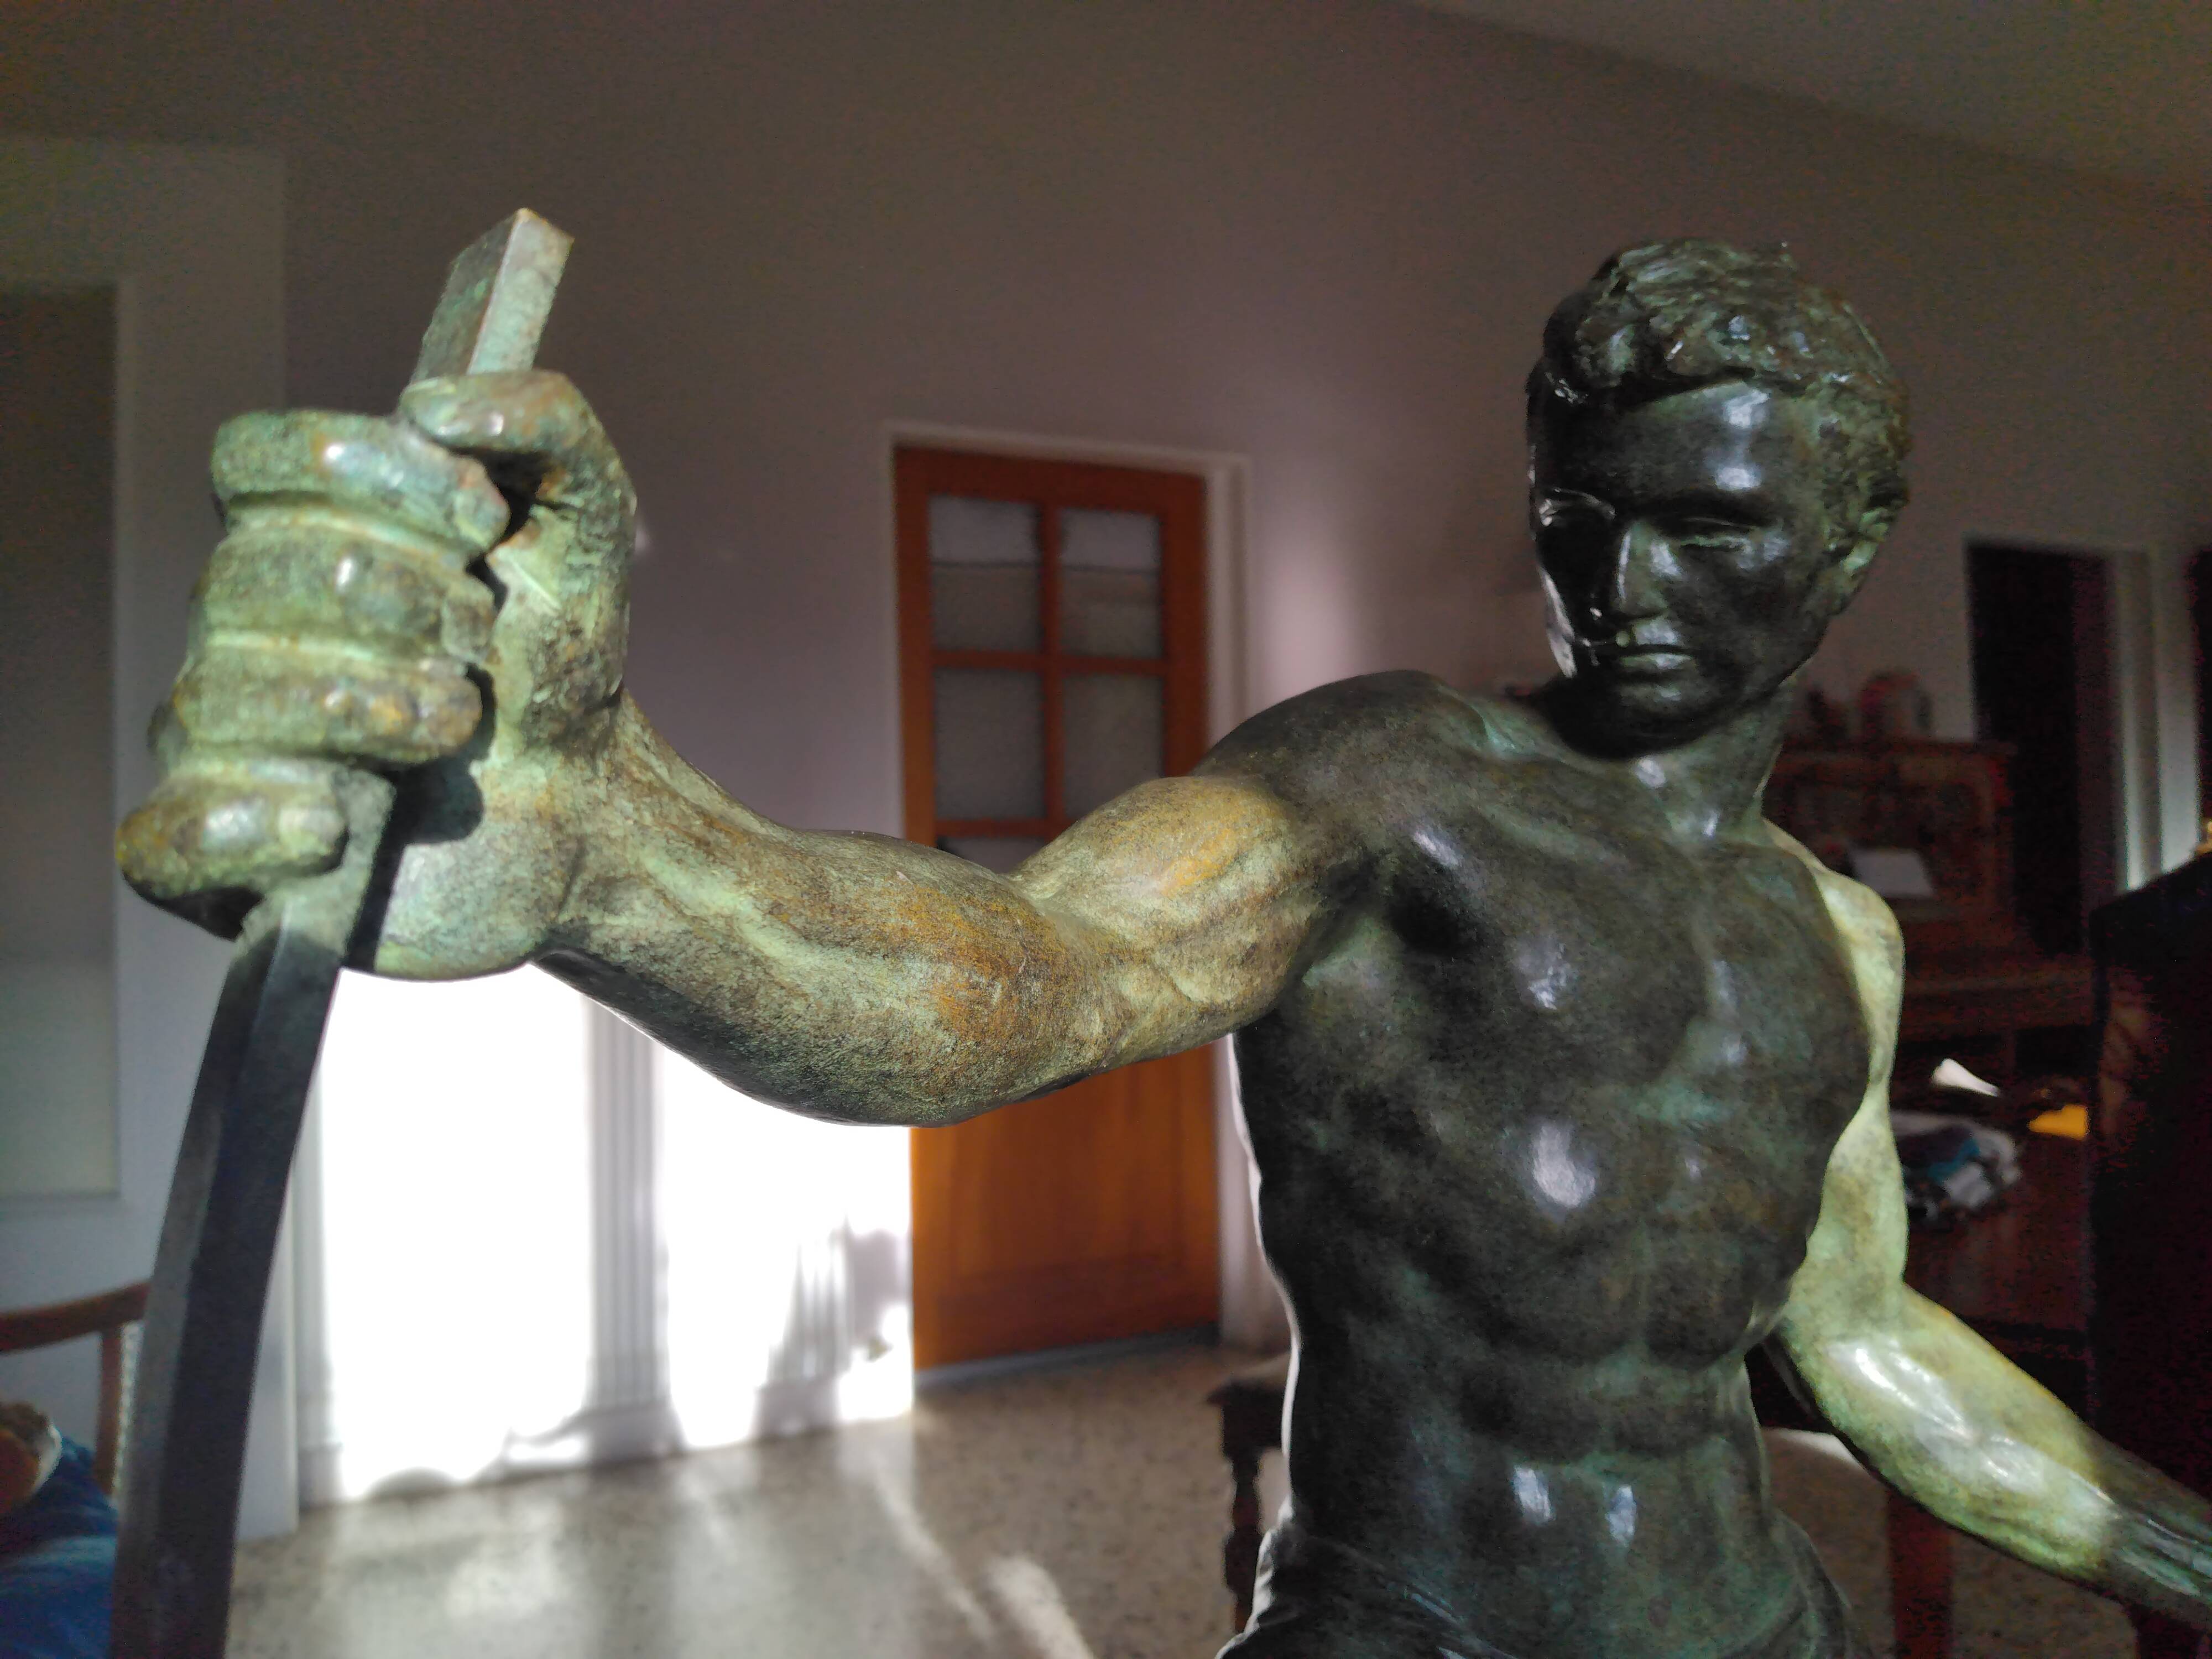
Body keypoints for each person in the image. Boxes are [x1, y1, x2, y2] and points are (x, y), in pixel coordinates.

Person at [117, 239, 2212, 1657]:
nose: (1623, 581)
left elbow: (1862, 1349)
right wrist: (604, 859)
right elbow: (1025, 969)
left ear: (1843, 552)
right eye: (1586, 516)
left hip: (1756, 1626)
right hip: (1417, 1624)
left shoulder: (1836, 938)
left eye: (1720, 531)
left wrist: (2187, 1549)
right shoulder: (1392, 785)